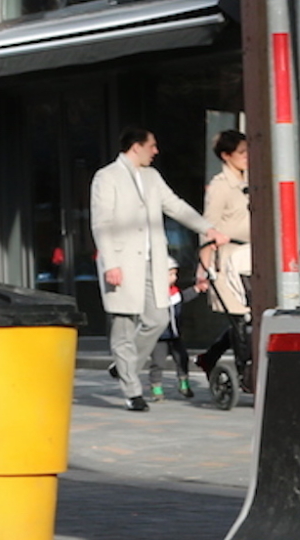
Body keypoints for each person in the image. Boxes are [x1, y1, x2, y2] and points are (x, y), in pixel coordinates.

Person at [90, 127, 225, 412]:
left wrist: (208, 229)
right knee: (124, 326)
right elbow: (101, 223)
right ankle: (132, 391)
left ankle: (125, 366)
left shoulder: (151, 177)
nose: (156, 151)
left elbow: (174, 206)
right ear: (136, 147)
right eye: (152, 146)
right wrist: (111, 264)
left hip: (154, 262)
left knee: (159, 318)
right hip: (122, 263)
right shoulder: (107, 177)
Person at [196, 130, 251, 373]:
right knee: (238, 317)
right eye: (241, 153)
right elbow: (208, 226)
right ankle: (244, 371)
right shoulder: (220, 186)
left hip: (251, 256)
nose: (247, 156)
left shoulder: (250, 181)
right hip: (227, 258)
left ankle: (209, 357)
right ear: (226, 156)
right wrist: (204, 266)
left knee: (251, 316)